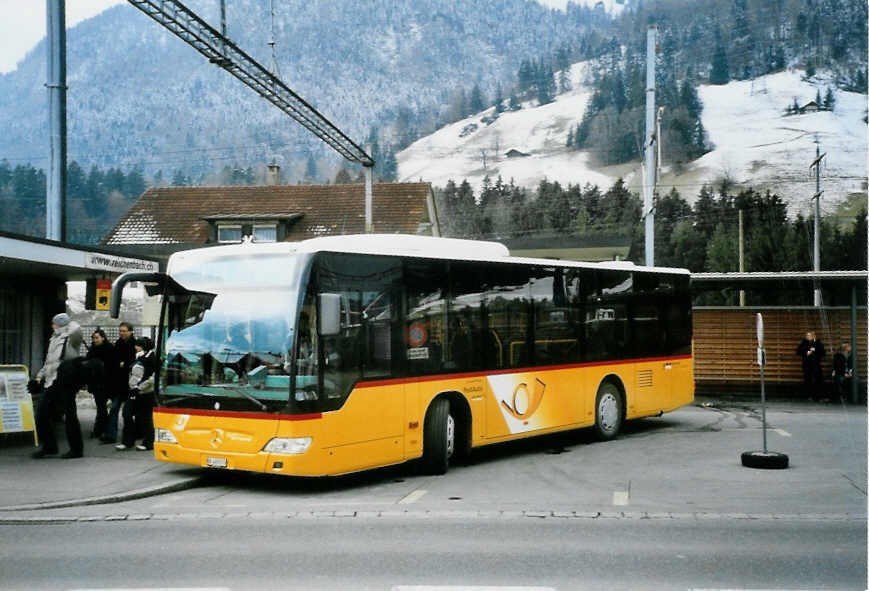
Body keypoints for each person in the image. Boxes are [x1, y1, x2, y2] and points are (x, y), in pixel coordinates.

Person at [31, 313, 85, 459]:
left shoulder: (70, 337)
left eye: (54, 323)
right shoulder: (53, 339)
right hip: (51, 380)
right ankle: (49, 446)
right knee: (41, 414)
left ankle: (76, 449)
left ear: (60, 324)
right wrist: (38, 377)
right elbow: (49, 362)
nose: (52, 325)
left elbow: (77, 329)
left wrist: (66, 323)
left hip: (65, 379)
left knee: (70, 415)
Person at [117, 336, 156, 451]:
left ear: (143, 346)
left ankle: (148, 442)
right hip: (134, 392)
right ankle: (128, 441)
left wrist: (139, 388)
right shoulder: (138, 357)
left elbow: (152, 378)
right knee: (126, 414)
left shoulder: (151, 358)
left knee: (145, 418)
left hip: (145, 393)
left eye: (138, 345)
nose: (135, 347)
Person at [101, 322, 136, 444]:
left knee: (129, 413)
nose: (122, 333)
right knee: (114, 409)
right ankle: (111, 435)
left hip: (131, 384)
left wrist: (124, 364)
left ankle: (132, 435)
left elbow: (133, 362)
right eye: (120, 331)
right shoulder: (118, 343)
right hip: (119, 384)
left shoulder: (135, 345)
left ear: (131, 332)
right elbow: (113, 361)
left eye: (124, 331)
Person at [86, 328, 114, 439]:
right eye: (93, 338)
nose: (95, 340)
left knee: (102, 408)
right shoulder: (92, 350)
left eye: (97, 338)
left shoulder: (109, 349)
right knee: (101, 407)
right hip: (96, 383)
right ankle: (101, 429)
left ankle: (101, 429)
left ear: (103, 338)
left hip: (107, 382)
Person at [796, 331, 825, 401]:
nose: (807, 337)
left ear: (813, 336)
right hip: (807, 365)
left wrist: (815, 351)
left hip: (816, 365)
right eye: (807, 335)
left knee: (818, 380)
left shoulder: (818, 343)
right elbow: (798, 351)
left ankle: (818, 396)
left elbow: (823, 353)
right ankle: (809, 396)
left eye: (809, 336)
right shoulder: (804, 342)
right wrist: (806, 352)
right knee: (808, 380)